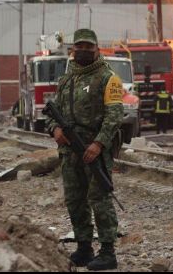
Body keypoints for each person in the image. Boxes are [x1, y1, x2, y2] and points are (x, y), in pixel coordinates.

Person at [45, 29, 123, 271]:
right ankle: (84, 248)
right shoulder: (66, 79)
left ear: (97, 49)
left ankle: (108, 252)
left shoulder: (108, 77)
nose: (84, 51)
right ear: (73, 49)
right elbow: (52, 112)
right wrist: (54, 130)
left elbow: (115, 115)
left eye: (89, 47)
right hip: (69, 152)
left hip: (94, 151)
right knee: (75, 200)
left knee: (99, 199)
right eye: (80, 46)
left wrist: (98, 144)